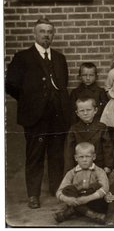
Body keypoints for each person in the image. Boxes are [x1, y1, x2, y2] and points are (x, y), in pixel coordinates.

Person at [6, 18, 70, 208]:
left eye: (49, 32)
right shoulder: (22, 57)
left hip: (57, 115)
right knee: (35, 155)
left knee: (57, 154)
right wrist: (30, 101)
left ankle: (56, 188)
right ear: (35, 34)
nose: (46, 35)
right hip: (35, 116)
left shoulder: (59, 58)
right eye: (42, 31)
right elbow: (11, 85)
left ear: (53, 34)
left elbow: (62, 85)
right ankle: (33, 195)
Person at [54, 142, 109, 224]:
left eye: (88, 156)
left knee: (96, 186)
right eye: (81, 157)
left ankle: (73, 210)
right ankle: (93, 215)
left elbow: (105, 189)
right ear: (76, 158)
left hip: (93, 202)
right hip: (76, 199)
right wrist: (67, 199)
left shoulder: (99, 171)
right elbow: (59, 191)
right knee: (67, 189)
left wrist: (88, 198)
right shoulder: (71, 173)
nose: (84, 160)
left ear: (94, 157)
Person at [64, 97, 114, 175]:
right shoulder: (74, 128)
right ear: (77, 113)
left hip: (98, 165)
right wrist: (70, 169)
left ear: (95, 110)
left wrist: (108, 166)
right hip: (80, 166)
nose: (85, 113)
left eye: (88, 110)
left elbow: (107, 148)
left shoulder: (102, 127)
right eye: (82, 111)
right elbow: (69, 150)